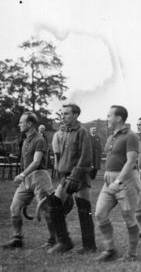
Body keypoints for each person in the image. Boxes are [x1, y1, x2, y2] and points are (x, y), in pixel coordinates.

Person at [46, 104, 96, 254]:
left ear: (75, 115)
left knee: (84, 208)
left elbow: (86, 156)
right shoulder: (64, 132)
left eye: (67, 113)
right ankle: (64, 242)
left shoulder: (82, 132)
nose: (63, 116)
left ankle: (89, 246)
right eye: (62, 113)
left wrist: (75, 177)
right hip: (66, 175)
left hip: (79, 176)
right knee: (54, 203)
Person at [2, 112, 55, 249]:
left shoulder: (39, 139)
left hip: (40, 177)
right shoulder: (25, 140)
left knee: (46, 210)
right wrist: (23, 176)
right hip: (26, 180)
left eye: (21, 122)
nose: (19, 124)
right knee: (14, 207)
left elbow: (37, 162)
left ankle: (54, 240)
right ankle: (17, 239)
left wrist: (22, 174)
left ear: (30, 124)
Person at [94, 105, 140, 261]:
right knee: (100, 214)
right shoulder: (111, 136)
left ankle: (131, 254)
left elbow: (131, 161)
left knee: (129, 217)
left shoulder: (131, 136)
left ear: (118, 118)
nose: (107, 118)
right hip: (109, 182)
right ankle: (110, 250)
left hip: (124, 181)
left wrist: (118, 180)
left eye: (109, 116)